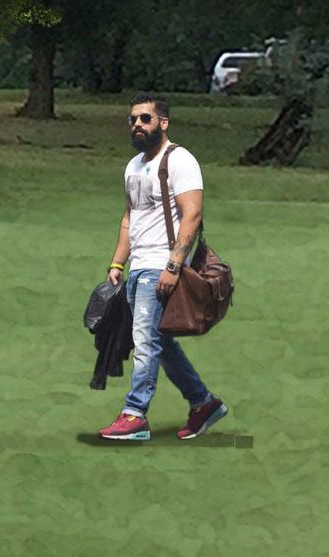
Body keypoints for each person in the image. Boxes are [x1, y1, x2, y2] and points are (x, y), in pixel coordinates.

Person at [98, 93, 227, 442]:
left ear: (163, 123)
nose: (138, 125)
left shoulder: (180, 160)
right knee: (159, 341)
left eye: (146, 119)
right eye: (133, 120)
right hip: (139, 265)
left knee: (144, 339)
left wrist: (173, 265)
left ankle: (134, 414)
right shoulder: (134, 165)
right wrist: (117, 262)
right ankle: (203, 403)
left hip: (161, 264)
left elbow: (193, 213)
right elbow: (130, 218)